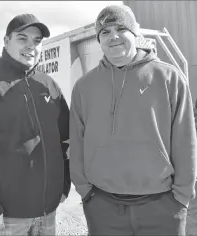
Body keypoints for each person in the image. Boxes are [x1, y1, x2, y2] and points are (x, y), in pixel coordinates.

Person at [69, 5, 196, 236]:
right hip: (103, 206)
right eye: (105, 31)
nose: (113, 36)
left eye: (120, 28)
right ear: (98, 39)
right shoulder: (84, 87)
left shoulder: (169, 78)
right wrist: (84, 190)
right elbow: (77, 141)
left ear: (135, 34)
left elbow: (185, 140)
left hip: (163, 206)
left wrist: (182, 196)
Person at [0, 13, 71, 236]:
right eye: (22, 38)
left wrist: (63, 185)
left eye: (37, 41)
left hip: (47, 214)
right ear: (6, 41)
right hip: (6, 218)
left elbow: (64, 139)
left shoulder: (47, 84)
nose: (31, 46)